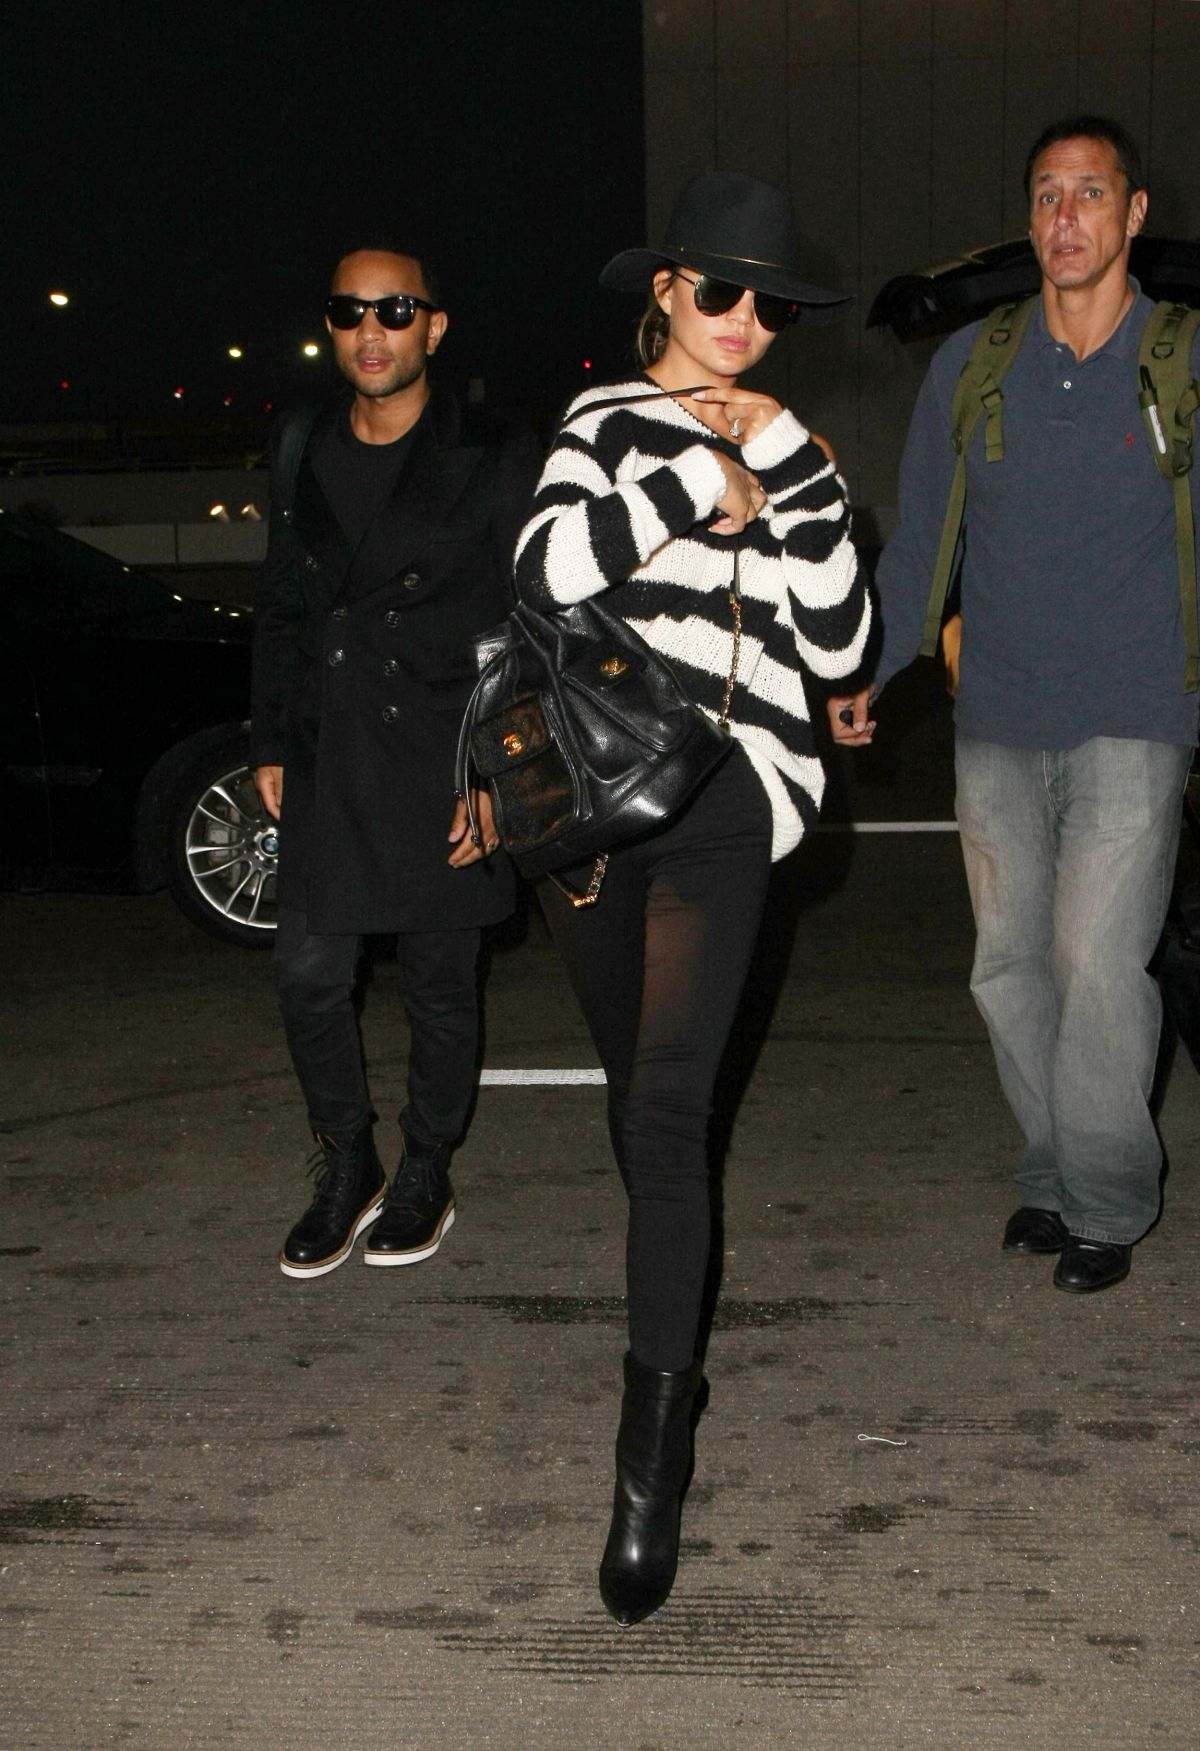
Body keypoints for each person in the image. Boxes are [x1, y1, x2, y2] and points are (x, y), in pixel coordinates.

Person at [514, 173, 872, 1624]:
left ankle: (649, 1469)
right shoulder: (597, 429)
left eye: (768, 304)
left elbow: (843, 631)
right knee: (636, 1105)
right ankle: (668, 1315)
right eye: (716, 290)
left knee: (666, 1115)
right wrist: (687, 485)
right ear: (662, 288)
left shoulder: (800, 444)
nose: (741, 322)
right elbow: (543, 571)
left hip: (733, 799)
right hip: (599, 799)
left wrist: (782, 464)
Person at [830, 115, 1200, 1296]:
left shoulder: (1184, 361)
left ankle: (1103, 1200)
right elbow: (922, 540)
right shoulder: (974, 363)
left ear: (1135, 214)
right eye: (1047, 195)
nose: (1066, 218)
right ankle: (1048, 1169)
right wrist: (870, 667)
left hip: (1138, 713)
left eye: (1092, 194)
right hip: (997, 710)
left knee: (1099, 960)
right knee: (1008, 965)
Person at [251, 246, 536, 1281]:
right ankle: (348, 1159)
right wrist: (271, 739)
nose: (371, 331)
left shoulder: (494, 452)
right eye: (350, 312)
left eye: (395, 310)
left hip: (443, 749)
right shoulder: (299, 443)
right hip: (334, 748)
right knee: (308, 976)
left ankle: (425, 1165)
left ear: (434, 325)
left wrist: (503, 773)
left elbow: (535, 621)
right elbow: (281, 603)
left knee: (439, 983)